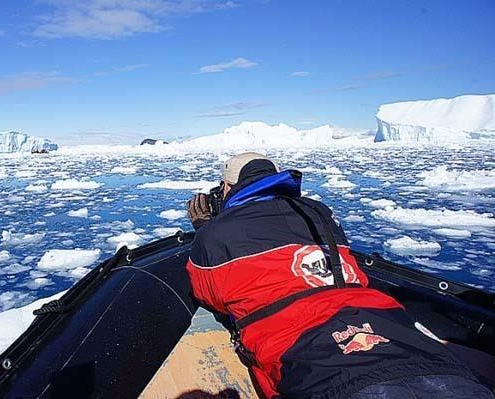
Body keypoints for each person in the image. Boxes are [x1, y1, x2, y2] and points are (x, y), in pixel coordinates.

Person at [185, 152, 493, 399]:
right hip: (398, 333)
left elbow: (208, 293)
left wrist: (205, 230)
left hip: (310, 359)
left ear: (227, 188)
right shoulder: (318, 211)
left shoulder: (218, 232)